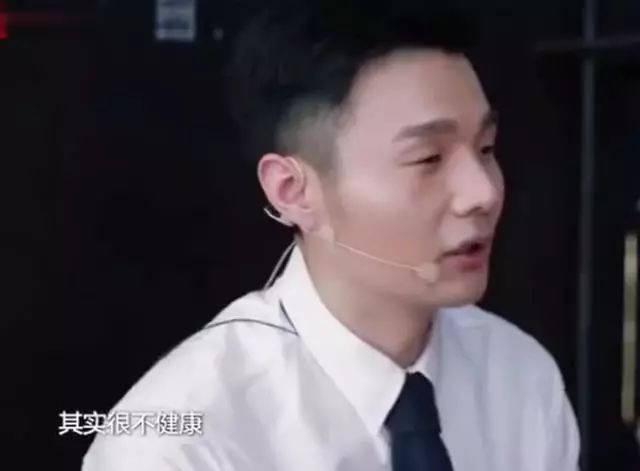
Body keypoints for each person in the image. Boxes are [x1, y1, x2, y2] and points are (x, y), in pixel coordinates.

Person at [82, 0, 581, 469]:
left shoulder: (519, 377)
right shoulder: (180, 440)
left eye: (487, 148)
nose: (483, 193)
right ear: (293, 192)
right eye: (429, 159)